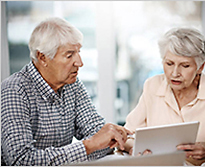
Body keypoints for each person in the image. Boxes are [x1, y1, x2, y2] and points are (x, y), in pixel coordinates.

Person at [1, 17, 132, 166]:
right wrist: (89, 146)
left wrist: (111, 138)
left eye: (78, 52)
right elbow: (21, 161)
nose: (80, 63)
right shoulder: (14, 91)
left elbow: (99, 135)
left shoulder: (72, 85)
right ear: (42, 57)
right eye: (69, 55)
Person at [123, 28, 205, 159]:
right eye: (169, 63)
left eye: (185, 66)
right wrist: (135, 149)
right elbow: (127, 136)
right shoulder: (152, 86)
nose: (175, 73)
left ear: (200, 67)